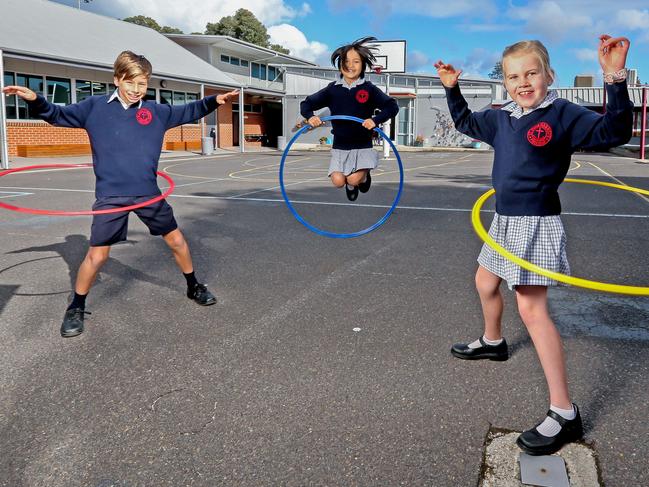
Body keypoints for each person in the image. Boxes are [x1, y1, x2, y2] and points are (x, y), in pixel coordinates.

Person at [435, 35, 632, 455]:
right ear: (504, 82)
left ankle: (564, 411)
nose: (523, 82)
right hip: (503, 220)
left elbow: (613, 131)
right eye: (513, 76)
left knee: (531, 308)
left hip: (536, 222)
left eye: (531, 73)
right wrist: (451, 88)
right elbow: (466, 123)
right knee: (485, 282)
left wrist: (613, 77)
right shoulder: (502, 117)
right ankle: (493, 343)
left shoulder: (563, 114)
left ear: (549, 75)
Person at [3, 50, 239, 338]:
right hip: (111, 197)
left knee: (177, 240)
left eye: (143, 84)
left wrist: (215, 100)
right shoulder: (94, 108)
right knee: (97, 256)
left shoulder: (155, 111)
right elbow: (57, 114)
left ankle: (193, 286)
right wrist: (34, 99)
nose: (137, 90)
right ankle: (76, 306)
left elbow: (189, 110)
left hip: (147, 194)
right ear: (117, 79)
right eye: (131, 83)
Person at [300, 36, 398, 201]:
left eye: (356, 61)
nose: (350, 66)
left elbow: (392, 106)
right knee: (338, 182)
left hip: (363, 145)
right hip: (340, 147)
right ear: (340, 64)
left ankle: (362, 178)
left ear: (363, 65)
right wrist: (311, 117)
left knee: (353, 178)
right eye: (346, 61)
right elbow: (306, 103)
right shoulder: (333, 90)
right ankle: (351, 183)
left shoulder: (369, 89)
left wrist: (376, 120)